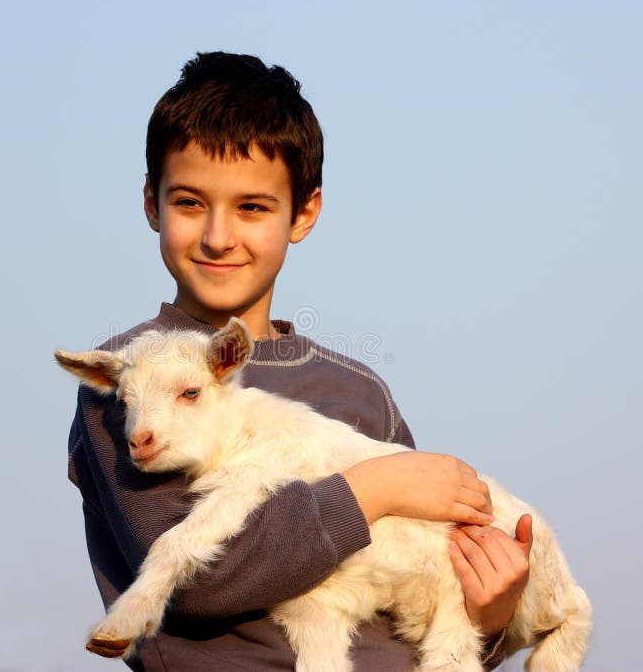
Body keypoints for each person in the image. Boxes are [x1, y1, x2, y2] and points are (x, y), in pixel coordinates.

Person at [66, 51, 533, 671]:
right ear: (151, 203)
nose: (217, 236)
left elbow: (420, 589)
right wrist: (375, 489)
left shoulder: (361, 393)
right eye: (189, 203)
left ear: (303, 214)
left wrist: (489, 617)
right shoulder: (128, 387)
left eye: (252, 207)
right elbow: (204, 585)